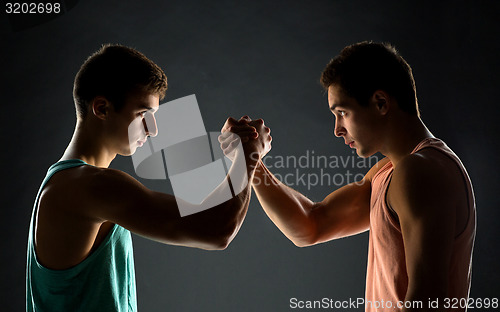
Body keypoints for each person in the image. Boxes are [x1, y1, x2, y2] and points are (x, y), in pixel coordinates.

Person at [221, 41, 476, 312]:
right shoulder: (392, 171)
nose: (337, 130)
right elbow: (311, 225)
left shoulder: (420, 172)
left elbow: (427, 304)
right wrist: (253, 160)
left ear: (380, 103)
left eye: (342, 112)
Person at [26, 44, 272, 312]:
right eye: (143, 114)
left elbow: (209, 219)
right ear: (102, 108)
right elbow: (216, 229)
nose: (153, 130)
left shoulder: (72, 183)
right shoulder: (89, 186)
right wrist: (249, 153)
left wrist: (239, 156)